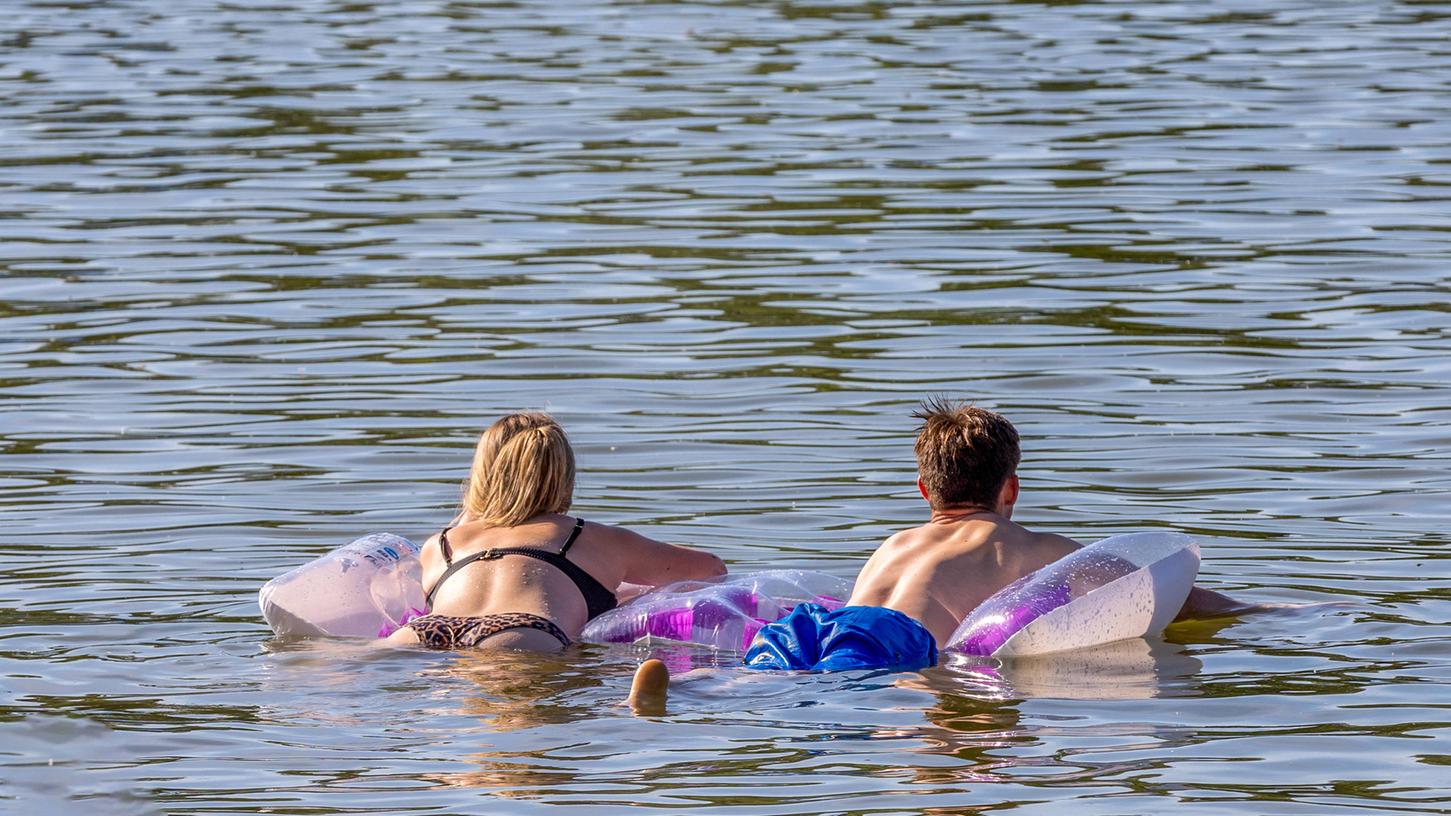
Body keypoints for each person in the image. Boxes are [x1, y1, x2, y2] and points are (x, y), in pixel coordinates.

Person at [744, 397, 1253, 672]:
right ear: (1011, 487)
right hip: (892, 647)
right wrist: (1264, 613)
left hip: (813, 627)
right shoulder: (1028, 546)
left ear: (925, 489)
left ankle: (692, 686)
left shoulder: (895, 543)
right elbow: (1155, 591)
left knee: (758, 681)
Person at [387, 412, 726, 652]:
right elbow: (710, 568)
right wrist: (623, 600)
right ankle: (631, 702)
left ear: (482, 474)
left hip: (425, 633)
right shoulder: (592, 538)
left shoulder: (442, 544)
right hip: (523, 631)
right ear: (565, 476)